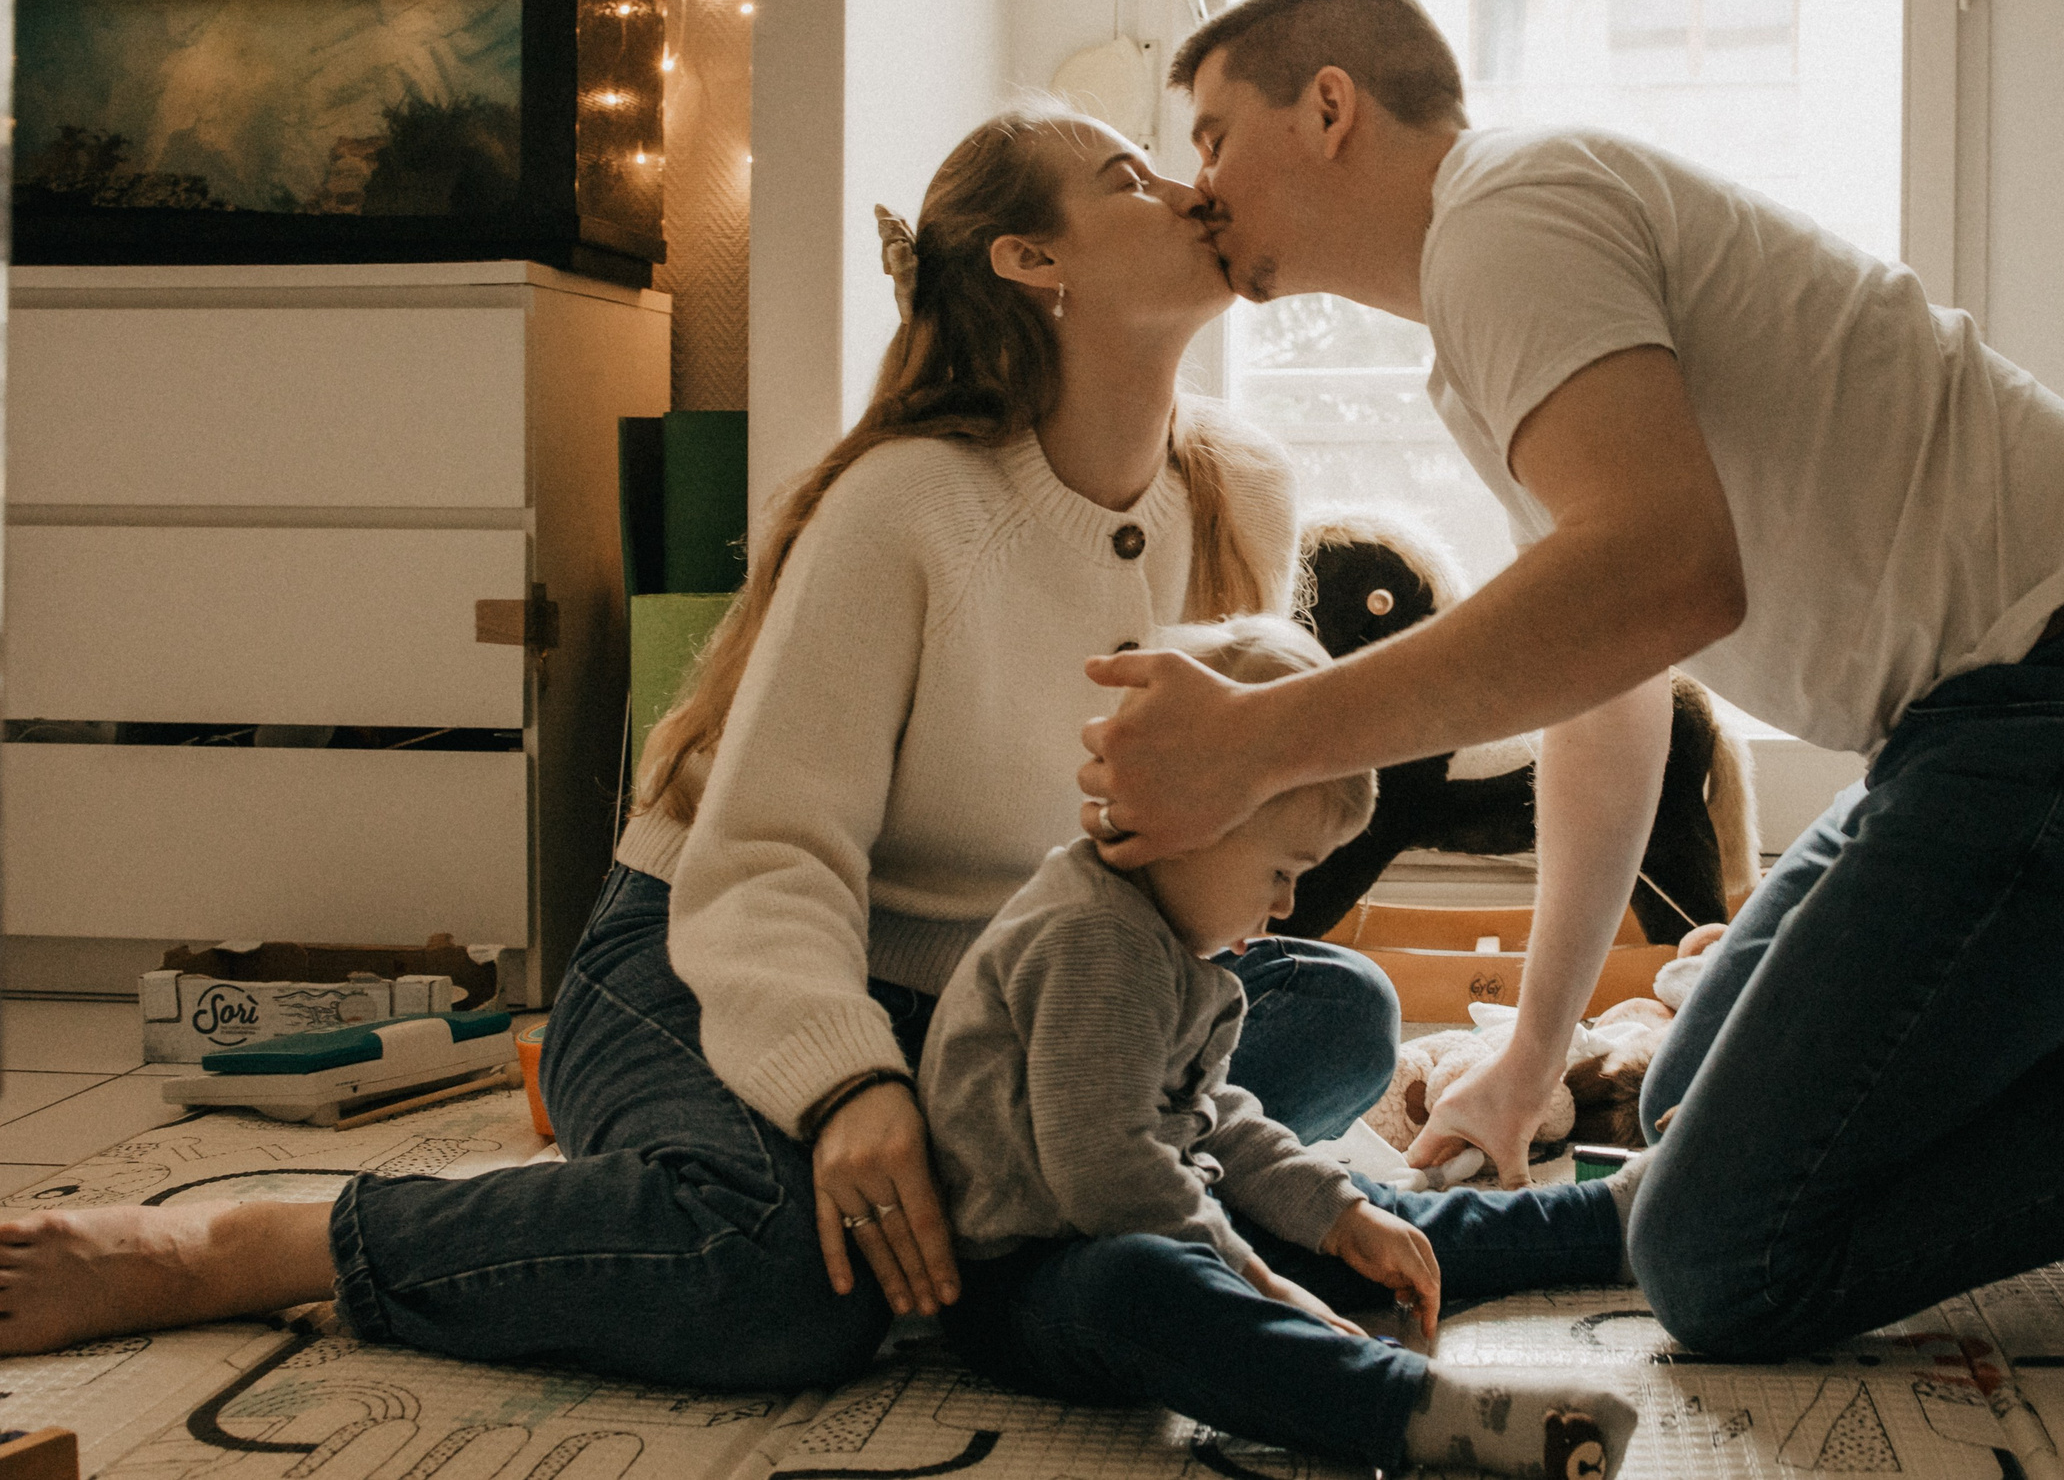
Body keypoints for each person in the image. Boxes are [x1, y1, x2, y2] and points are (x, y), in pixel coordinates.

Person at [1071, 0, 2064, 1355]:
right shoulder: (1494, 299)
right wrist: (1528, 1055)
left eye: (1212, 133)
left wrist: (1266, 737)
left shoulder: (1506, 217)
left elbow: (1667, 574)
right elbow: (1606, 688)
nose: (1198, 183)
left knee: (1726, 1253)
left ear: (1330, 106)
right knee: (1689, 1089)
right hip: (2038, 722)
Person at [0, 110, 1402, 1385]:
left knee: (1336, 1014)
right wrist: (850, 1083)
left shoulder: (1239, 495)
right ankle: (269, 1241)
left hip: (1014, 989)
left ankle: (948, 1193)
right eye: (1132, 177)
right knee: (780, 1274)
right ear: (1034, 258)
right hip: (709, 946)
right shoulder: (910, 506)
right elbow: (765, 859)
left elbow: (1185, 874)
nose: (1187, 187)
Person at [927, 615, 1639, 1480]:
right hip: (1028, 1279)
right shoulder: (1094, 940)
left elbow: (1213, 1117)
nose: (1290, 906)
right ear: (1190, 820)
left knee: (1362, 1220)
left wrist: (1338, 1214)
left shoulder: (1166, 938)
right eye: (1281, 871)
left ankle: (1600, 1221)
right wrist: (1256, 1277)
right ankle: (1412, 1409)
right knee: (1147, 1286)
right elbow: (1107, 1174)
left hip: (1146, 1211)